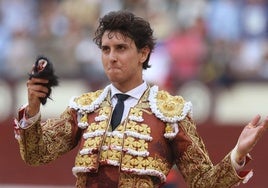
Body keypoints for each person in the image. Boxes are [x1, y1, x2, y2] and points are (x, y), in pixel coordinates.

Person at [14, 10, 268, 188]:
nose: (111, 57)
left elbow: (204, 182)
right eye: (105, 49)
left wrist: (237, 153)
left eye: (121, 48)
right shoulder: (84, 108)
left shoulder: (169, 113)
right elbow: (36, 154)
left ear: (143, 53)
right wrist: (34, 110)